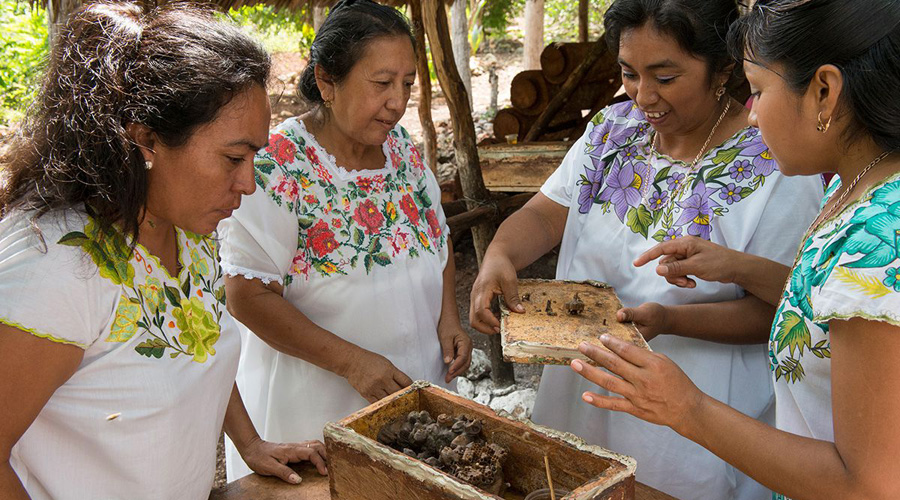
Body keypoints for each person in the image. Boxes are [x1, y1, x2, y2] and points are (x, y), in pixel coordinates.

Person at [468, 1, 826, 498]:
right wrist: (500, 256)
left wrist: (669, 320)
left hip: (693, 427)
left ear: (722, 67)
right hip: (583, 395)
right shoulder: (611, 131)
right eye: (629, 73)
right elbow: (545, 214)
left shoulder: (776, 164)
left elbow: (784, 312)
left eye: (665, 76)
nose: (644, 97)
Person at [570, 1, 900, 499]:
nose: (750, 114)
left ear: (825, 92)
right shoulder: (858, 189)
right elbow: (825, 308)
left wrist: (688, 407)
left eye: (760, 90)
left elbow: (870, 487)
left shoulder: (878, 240)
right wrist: (738, 267)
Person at [0, 4, 327, 499]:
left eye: (255, 156)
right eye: (234, 157)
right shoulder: (59, 268)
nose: (248, 184)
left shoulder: (189, 233)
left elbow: (198, 347)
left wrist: (251, 442)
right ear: (146, 140)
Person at [219, 0, 472, 481]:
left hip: (413, 394)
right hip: (314, 410)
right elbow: (246, 295)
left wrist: (448, 318)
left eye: (407, 85)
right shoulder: (275, 166)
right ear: (326, 81)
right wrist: (351, 362)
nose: (397, 101)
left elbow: (437, 244)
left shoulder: (404, 154)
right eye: (382, 84)